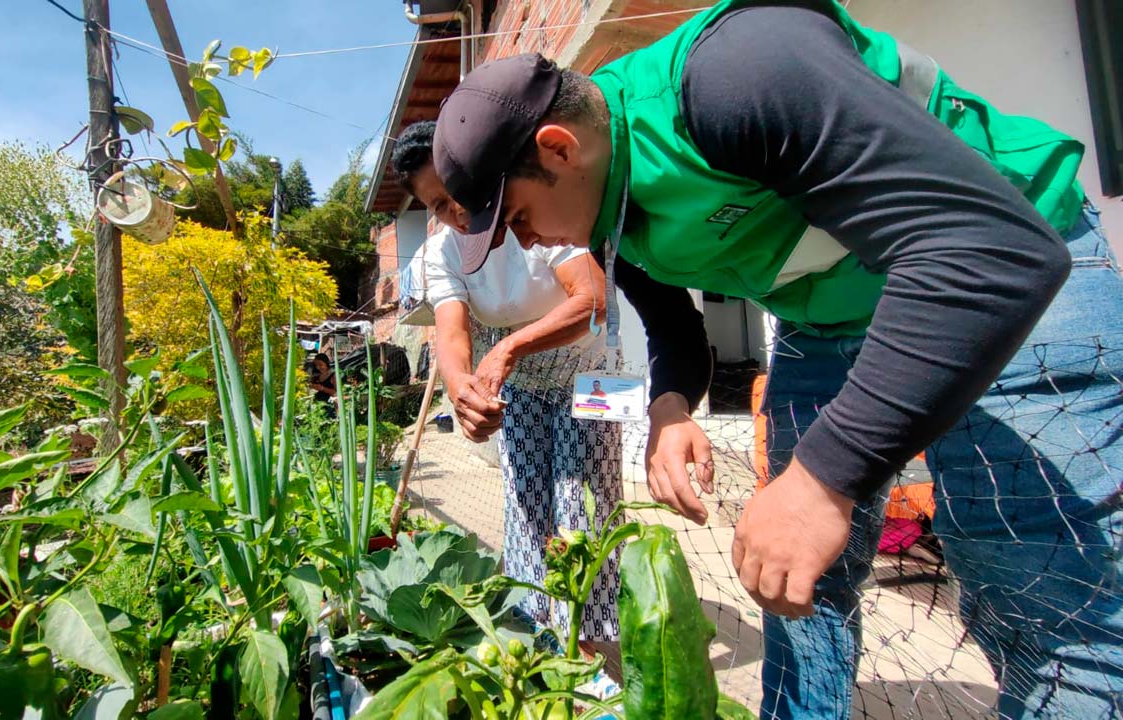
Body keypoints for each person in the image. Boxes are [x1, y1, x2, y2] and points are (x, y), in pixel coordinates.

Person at [429, 2, 1123, 718]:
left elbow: (989, 252)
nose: (528, 244)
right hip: (825, 319)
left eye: (517, 220)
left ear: (560, 149)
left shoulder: (739, 72)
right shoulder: (610, 206)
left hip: (1002, 269)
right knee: (796, 578)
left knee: (1048, 599)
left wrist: (825, 478)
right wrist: (671, 406)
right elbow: (674, 329)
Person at [390, 120, 706, 645]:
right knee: (526, 500)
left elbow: (594, 302)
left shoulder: (528, 215)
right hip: (522, 382)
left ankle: (590, 638)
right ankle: (538, 627)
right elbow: (451, 333)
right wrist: (460, 387)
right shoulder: (442, 253)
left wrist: (509, 346)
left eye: (455, 192)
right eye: (438, 205)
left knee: (583, 502)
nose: (456, 210)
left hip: (596, 376)